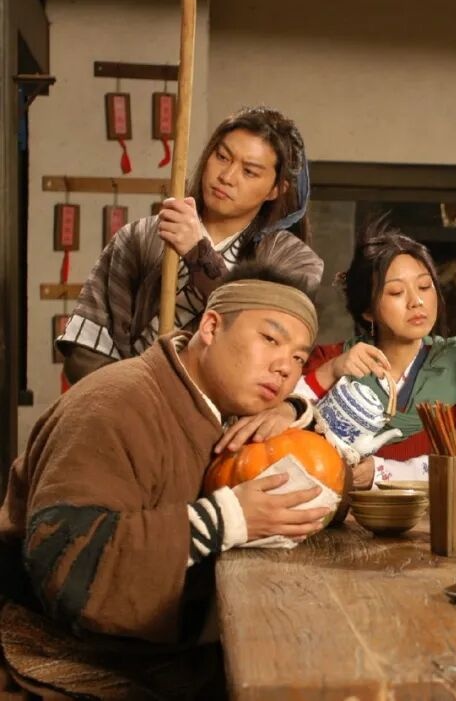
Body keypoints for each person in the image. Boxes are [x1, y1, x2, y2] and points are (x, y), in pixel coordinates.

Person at [0, 265, 331, 698]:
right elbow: (64, 555)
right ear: (210, 327)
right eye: (270, 339)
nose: (284, 367)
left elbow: (323, 485)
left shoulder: (228, 408)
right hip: (69, 642)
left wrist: (294, 413)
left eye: (299, 358)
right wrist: (226, 519)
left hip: (168, 637)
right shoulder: (115, 403)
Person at [57, 106, 324, 385]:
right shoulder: (140, 236)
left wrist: (199, 254)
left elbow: (265, 338)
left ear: (276, 189)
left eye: (249, 171)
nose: (227, 176)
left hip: (220, 408)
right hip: (129, 397)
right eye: (222, 157)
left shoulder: (295, 262)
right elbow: (86, 346)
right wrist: (136, 397)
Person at [292, 224, 456, 487]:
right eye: (396, 292)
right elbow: (283, 427)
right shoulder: (330, 360)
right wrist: (330, 371)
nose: (417, 302)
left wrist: (381, 471)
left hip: (432, 511)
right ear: (368, 311)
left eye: (425, 286)